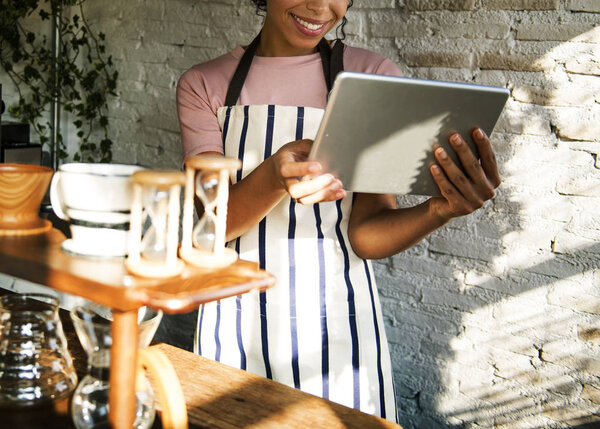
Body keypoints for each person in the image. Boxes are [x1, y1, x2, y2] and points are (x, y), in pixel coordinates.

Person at [176, 0, 500, 422]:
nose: (320, 6)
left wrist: (440, 210)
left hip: (338, 322)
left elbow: (366, 234)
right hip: (236, 318)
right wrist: (274, 174)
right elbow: (211, 227)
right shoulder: (205, 84)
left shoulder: (372, 77)